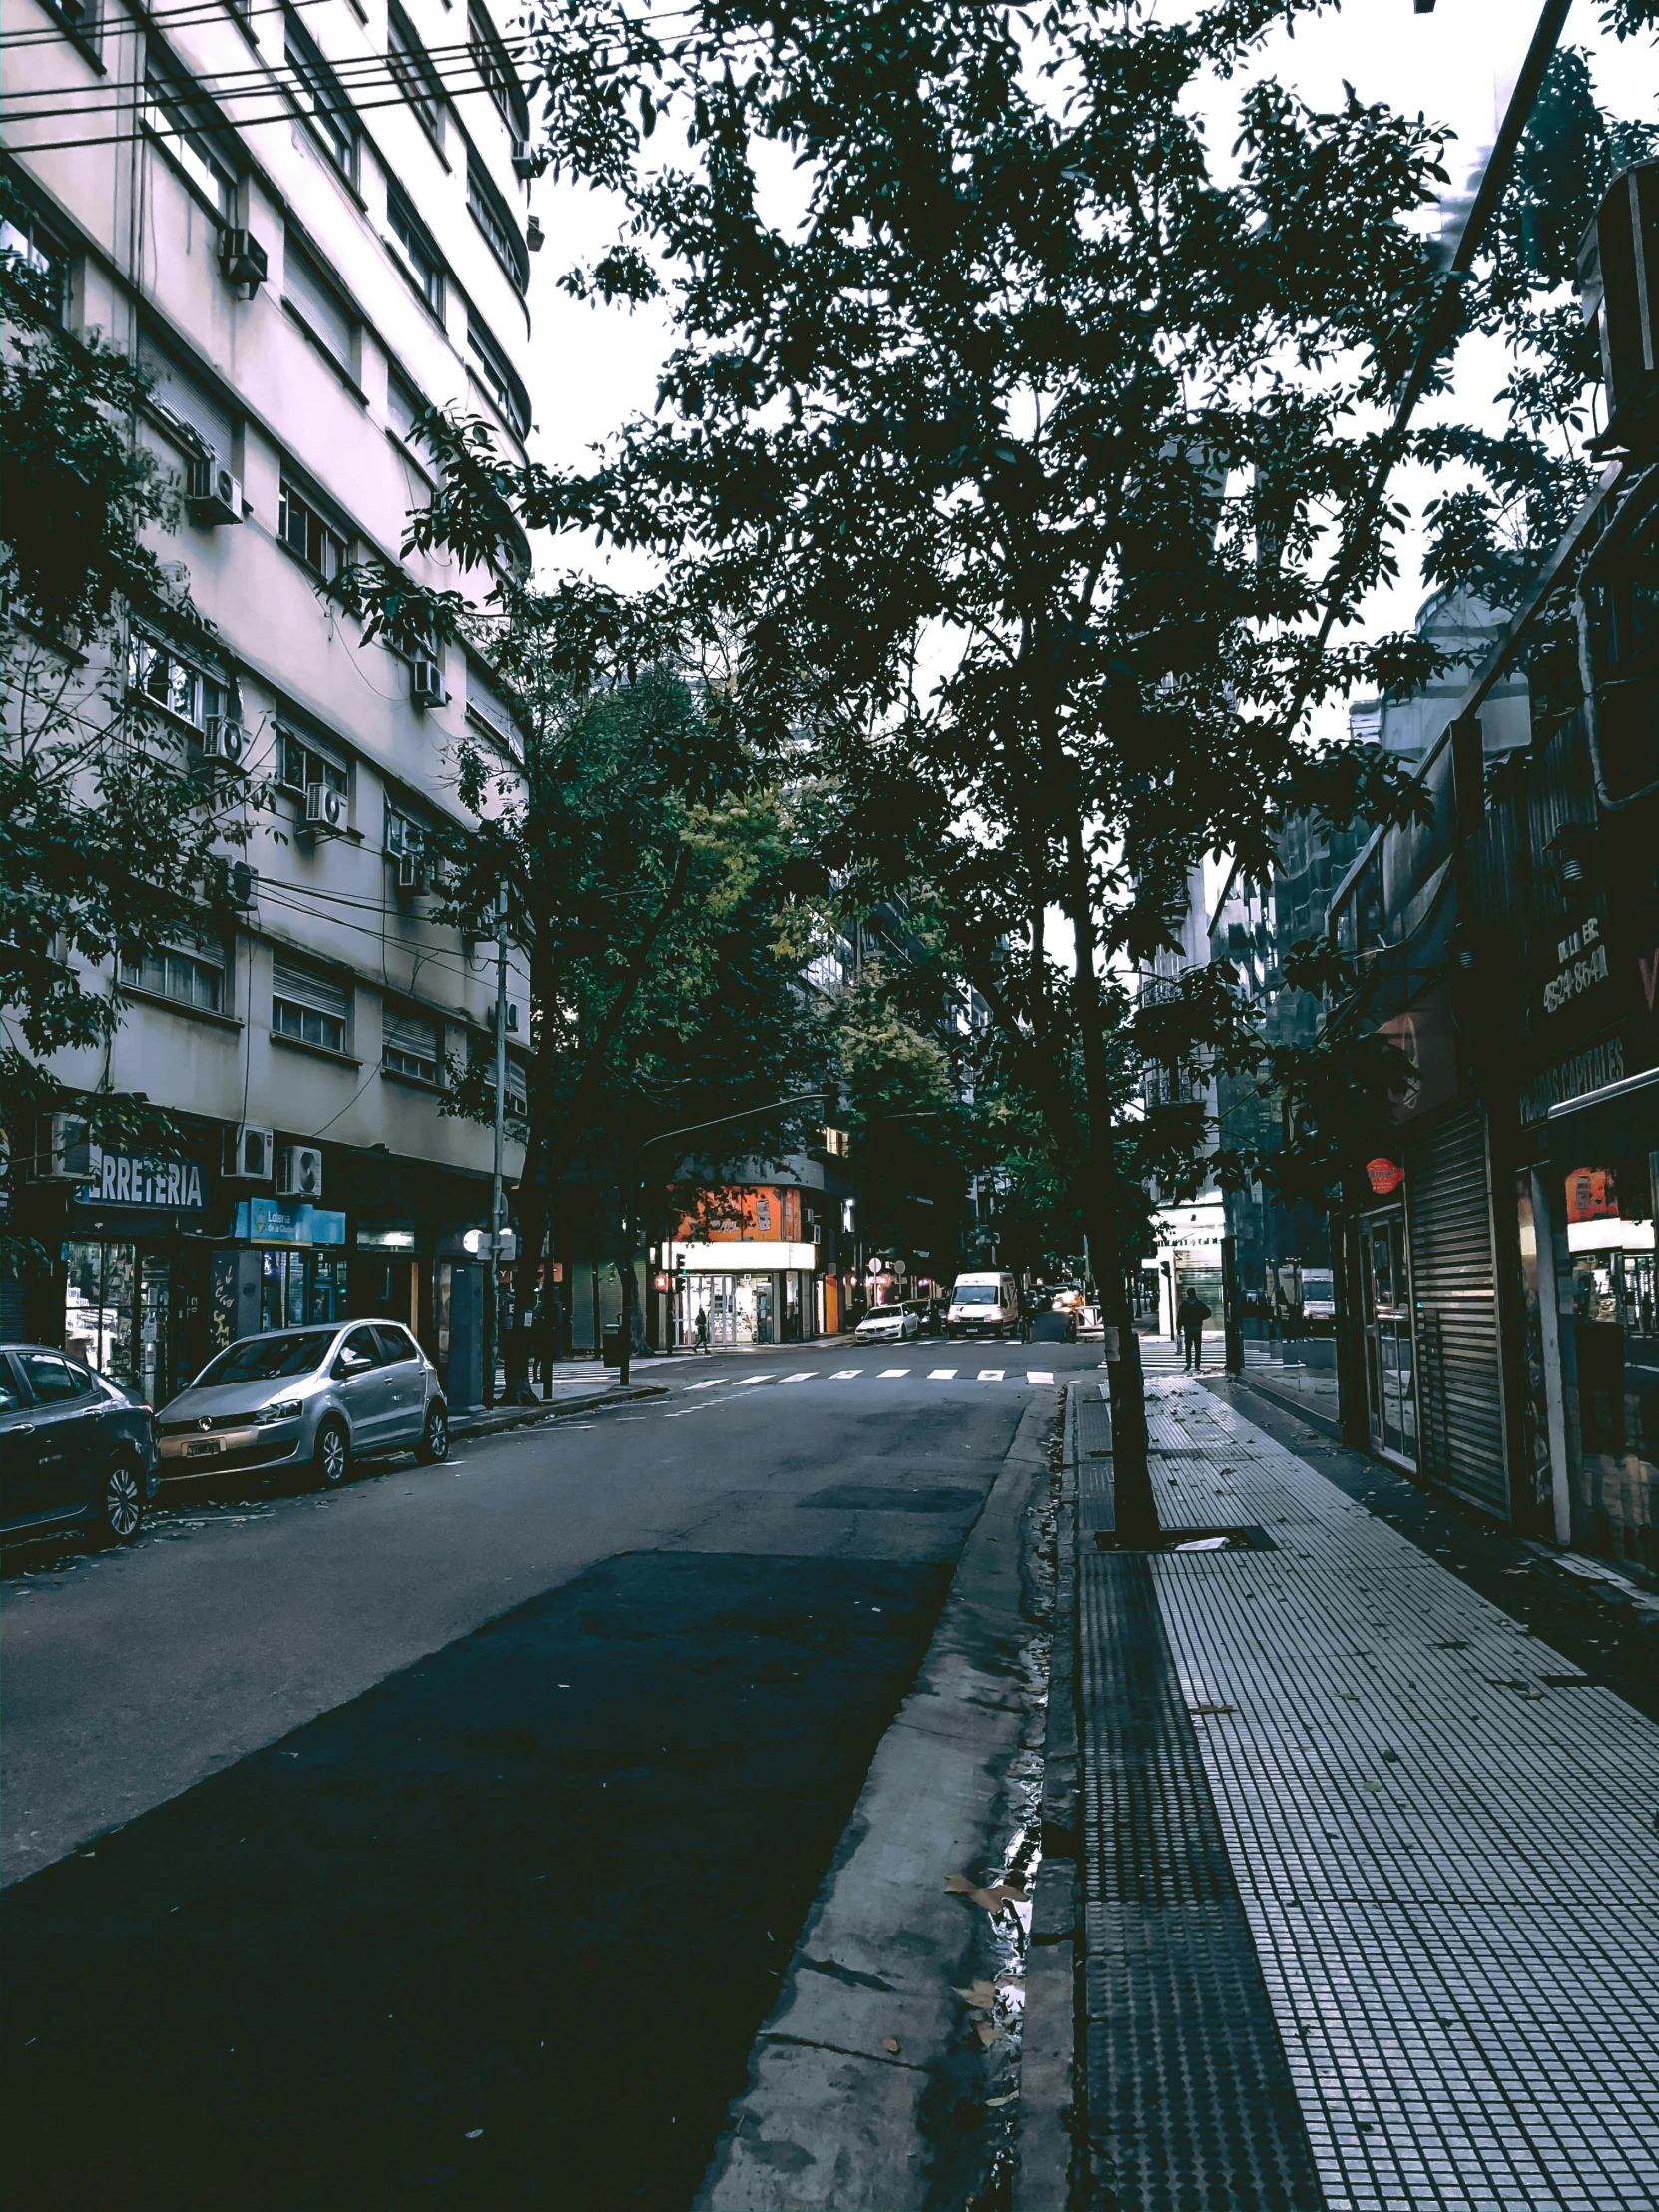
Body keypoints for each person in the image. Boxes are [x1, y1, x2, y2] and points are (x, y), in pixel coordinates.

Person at [1177, 1287, 1211, 1372]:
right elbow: (1208, 1312)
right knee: (1197, 1347)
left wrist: (1178, 1328)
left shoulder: (1183, 1304)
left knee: (1188, 1347)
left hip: (1187, 1328)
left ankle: (1188, 1363)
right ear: (1194, 1293)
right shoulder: (1199, 1303)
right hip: (1197, 1327)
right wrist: (1200, 1317)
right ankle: (1197, 1365)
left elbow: (1179, 1317)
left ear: (1187, 1294)